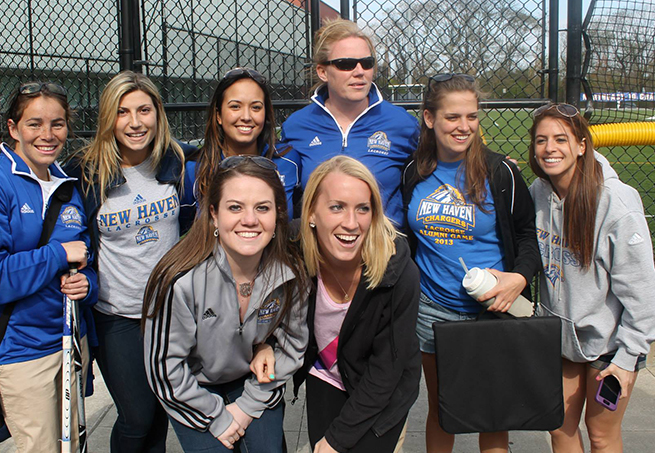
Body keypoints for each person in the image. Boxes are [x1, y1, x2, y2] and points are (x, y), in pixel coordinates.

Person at [0, 81, 96, 452]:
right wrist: (58, 255)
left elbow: (84, 255)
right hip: (20, 353)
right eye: (34, 124)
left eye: (57, 124)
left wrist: (86, 282)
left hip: (67, 343)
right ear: (13, 128)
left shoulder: (67, 184)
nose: (47, 135)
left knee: (71, 446)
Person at [401, 74, 541, 453]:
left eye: (472, 117)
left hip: (491, 310)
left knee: (491, 411)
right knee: (441, 408)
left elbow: (528, 236)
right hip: (432, 310)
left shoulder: (501, 172)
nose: (464, 127)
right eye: (452, 117)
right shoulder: (414, 173)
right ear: (430, 119)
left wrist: (518, 278)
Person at [252, 155, 421, 453]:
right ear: (312, 214)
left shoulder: (398, 273)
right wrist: (264, 343)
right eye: (336, 207)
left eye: (363, 209)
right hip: (326, 374)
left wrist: (335, 441)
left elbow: (385, 372)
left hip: (382, 388)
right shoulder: (293, 251)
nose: (351, 223)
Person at [143, 156, 310, 453]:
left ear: (278, 215)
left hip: (252, 380)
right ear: (214, 215)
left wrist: (247, 407)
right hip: (192, 387)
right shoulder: (179, 280)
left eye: (262, 207)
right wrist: (217, 417)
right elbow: (164, 369)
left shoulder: (289, 273)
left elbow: (293, 346)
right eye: (235, 207)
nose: (249, 219)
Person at [528, 103, 655, 452]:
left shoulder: (615, 203)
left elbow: (647, 297)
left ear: (581, 145)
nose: (550, 148)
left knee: (601, 434)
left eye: (561, 139)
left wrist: (626, 360)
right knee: (559, 428)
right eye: (542, 140)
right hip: (563, 339)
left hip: (612, 344)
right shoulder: (539, 192)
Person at [64, 70, 190, 452]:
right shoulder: (85, 171)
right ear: (108, 118)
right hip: (116, 314)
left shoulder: (176, 161)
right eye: (122, 112)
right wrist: (78, 272)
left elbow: (190, 226)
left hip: (169, 312)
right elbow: (68, 232)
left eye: (144, 110)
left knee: (160, 413)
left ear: (158, 113)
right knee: (136, 415)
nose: (135, 123)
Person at [280, 18, 419, 228]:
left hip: (383, 251)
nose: (359, 71)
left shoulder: (402, 124)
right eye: (346, 64)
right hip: (320, 252)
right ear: (322, 72)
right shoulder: (297, 126)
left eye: (367, 63)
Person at [180, 67, 300, 229]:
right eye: (235, 107)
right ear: (218, 115)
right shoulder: (195, 170)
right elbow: (181, 231)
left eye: (256, 107)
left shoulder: (288, 160)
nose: (246, 117)